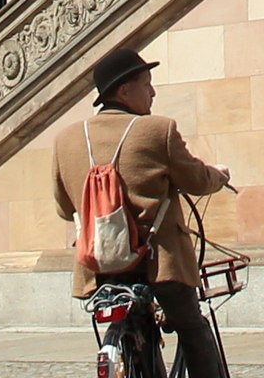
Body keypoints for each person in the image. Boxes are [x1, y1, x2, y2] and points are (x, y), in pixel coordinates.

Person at [54, 46, 234, 378]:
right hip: (157, 265)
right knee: (193, 328)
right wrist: (219, 176)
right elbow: (196, 179)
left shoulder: (66, 140)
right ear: (124, 90)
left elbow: (64, 208)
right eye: (147, 84)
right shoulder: (158, 131)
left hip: (99, 271)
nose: (153, 92)